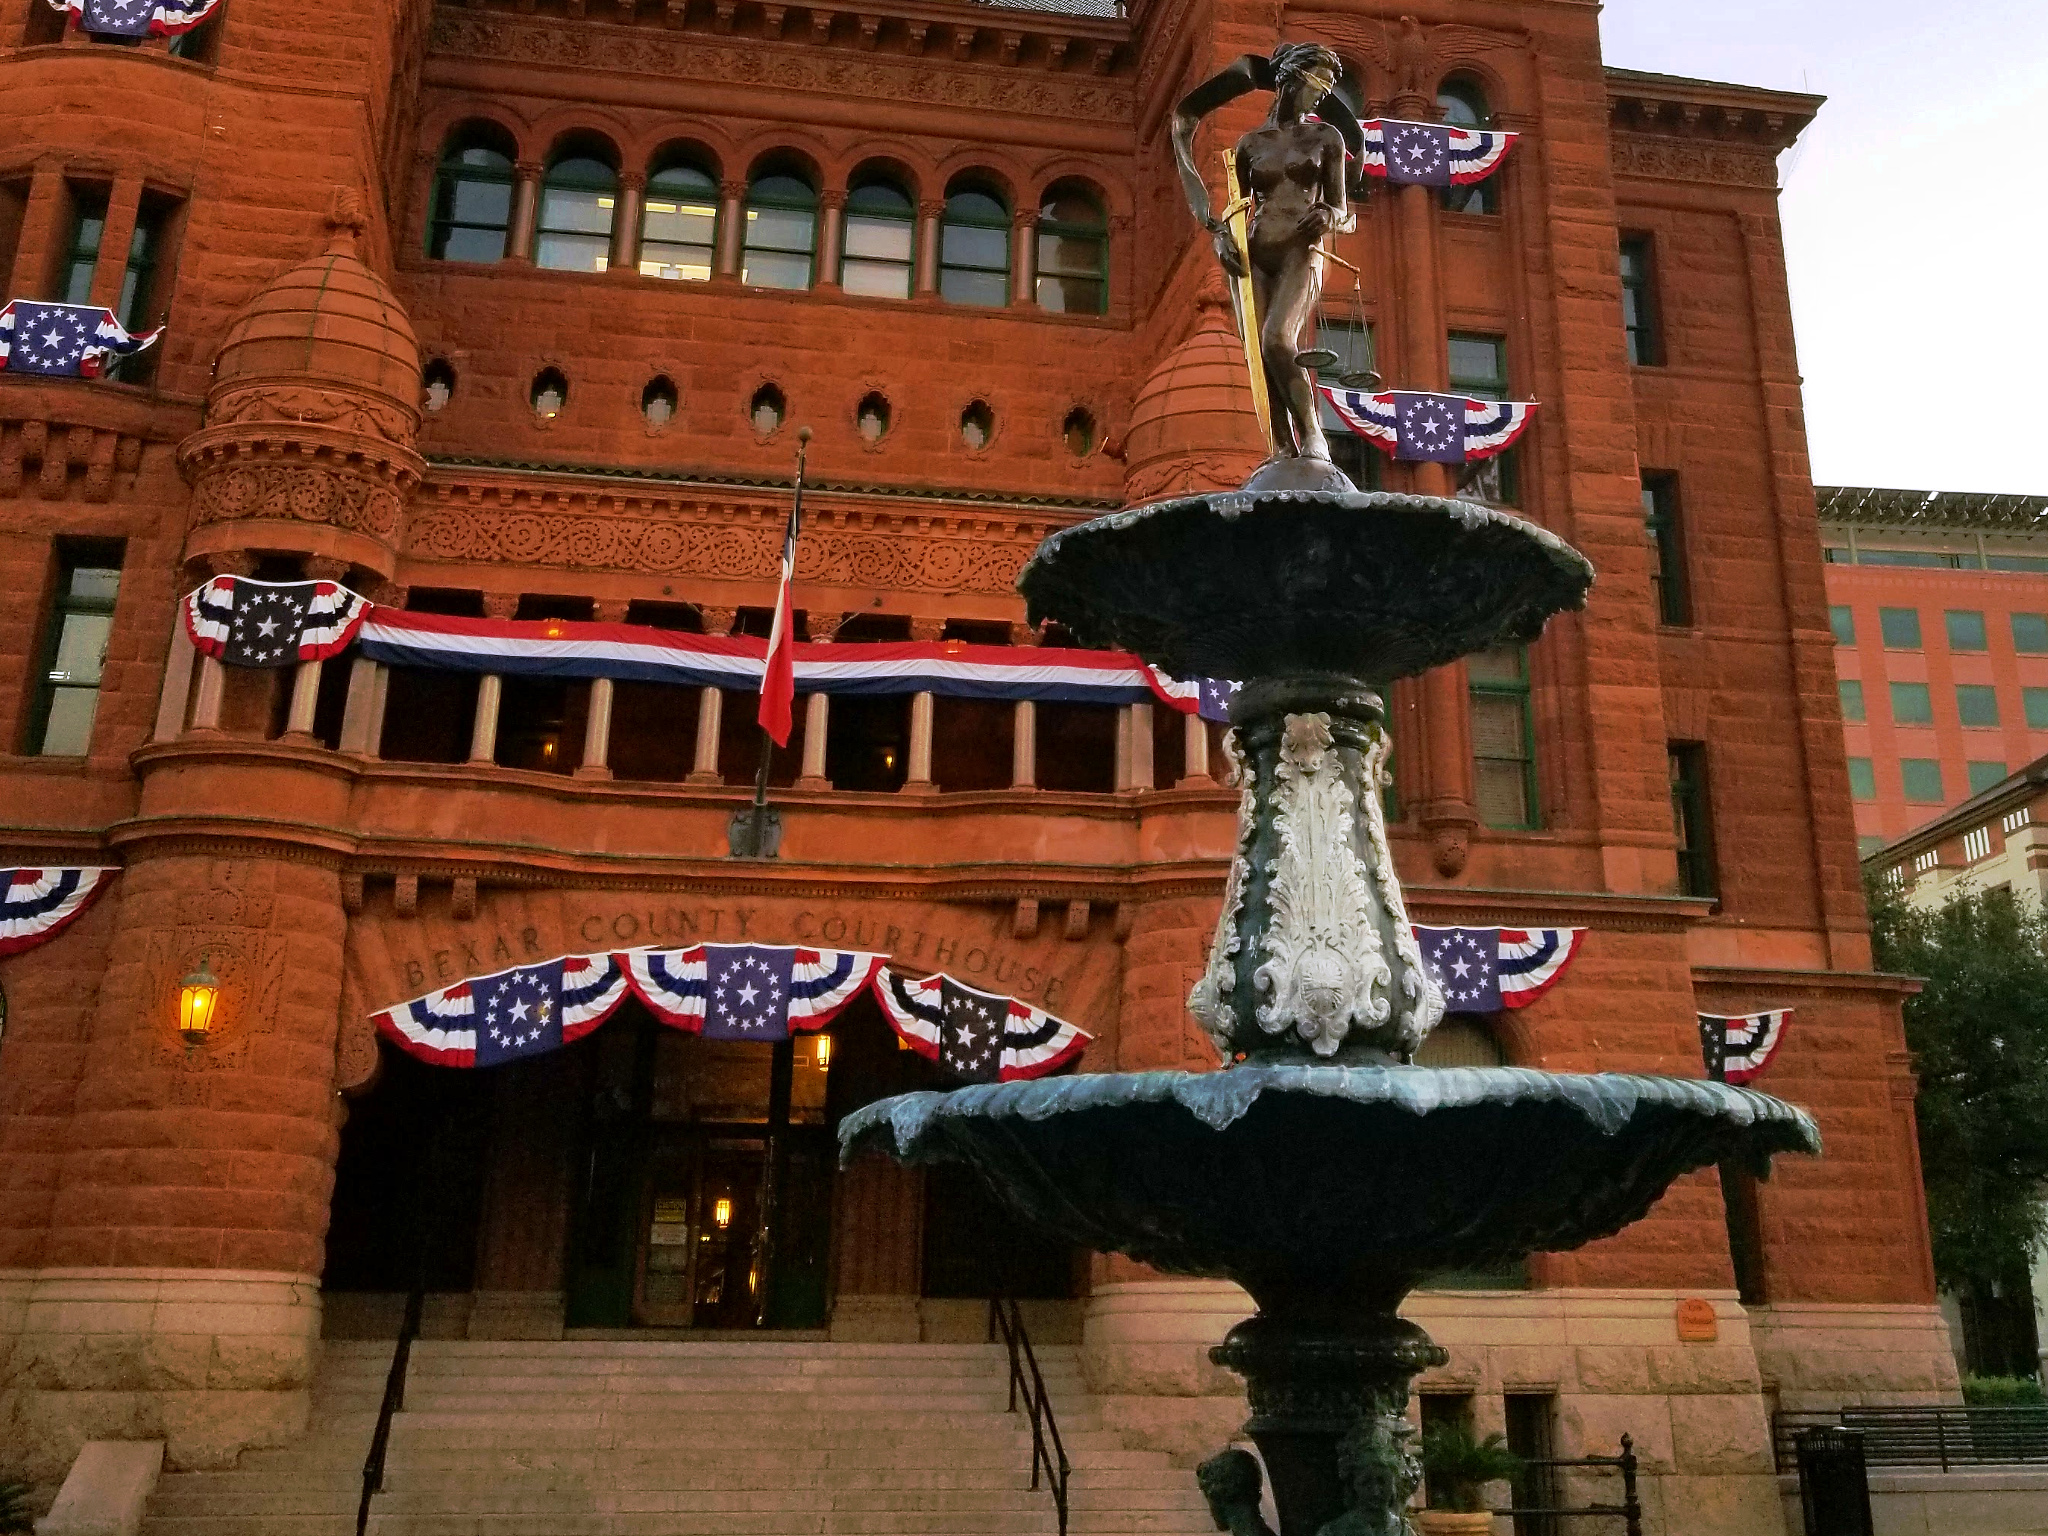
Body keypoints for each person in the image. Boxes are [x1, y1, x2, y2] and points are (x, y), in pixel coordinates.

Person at [1172, 42, 1362, 476]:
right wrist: (1219, 236)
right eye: (1319, 83)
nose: (1322, 96)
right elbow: (1236, 208)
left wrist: (1329, 215)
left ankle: (1313, 432)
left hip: (1303, 249)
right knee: (1257, 352)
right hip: (1255, 251)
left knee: (1279, 340)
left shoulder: (1326, 138)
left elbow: (1343, 211)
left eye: (1329, 86)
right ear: (1292, 78)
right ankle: (1280, 446)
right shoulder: (1250, 144)